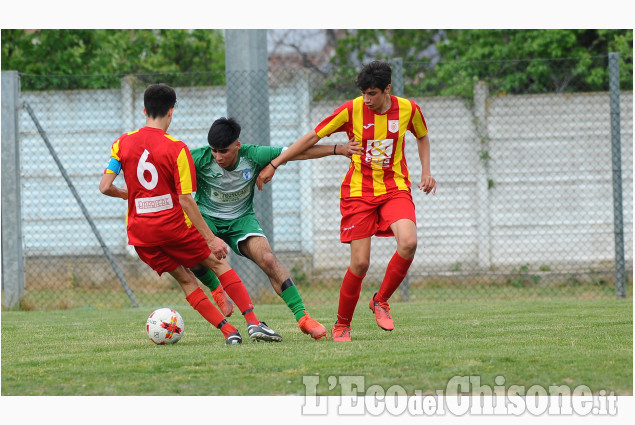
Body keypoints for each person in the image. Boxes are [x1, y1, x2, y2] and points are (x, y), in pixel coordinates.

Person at [257, 61, 437, 342]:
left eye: (373, 93)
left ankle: (381, 300)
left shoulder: (408, 109)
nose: (367, 99)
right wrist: (276, 163)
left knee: (409, 242)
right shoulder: (351, 110)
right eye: (363, 92)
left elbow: (422, 137)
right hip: (358, 193)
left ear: (387, 89)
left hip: (394, 188)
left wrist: (426, 170)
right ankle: (342, 325)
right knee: (360, 264)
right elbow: (311, 137)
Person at [99, 83, 282, 345]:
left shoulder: (122, 143)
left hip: (140, 234)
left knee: (186, 281)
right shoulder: (177, 148)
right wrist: (211, 238)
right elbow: (186, 199)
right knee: (219, 264)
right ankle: (253, 323)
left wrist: (134, 196)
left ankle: (228, 332)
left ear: (144, 110)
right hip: (173, 227)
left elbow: (105, 187)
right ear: (171, 112)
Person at [190, 117, 361, 340]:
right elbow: (164, 169)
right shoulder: (199, 158)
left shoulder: (252, 155)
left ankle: (303, 317)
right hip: (207, 218)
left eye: (224, 151)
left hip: (241, 220)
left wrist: (338, 149)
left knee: (268, 259)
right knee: (192, 253)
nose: (218, 156)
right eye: (214, 150)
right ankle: (216, 289)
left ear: (237, 145)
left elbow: (296, 152)